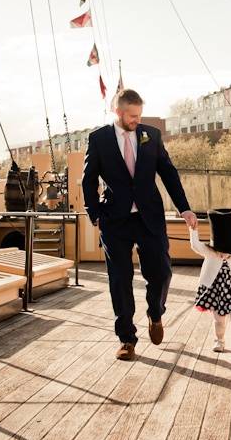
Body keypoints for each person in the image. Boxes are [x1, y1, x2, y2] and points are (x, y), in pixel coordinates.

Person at [82, 88, 197, 361]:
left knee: (161, 272)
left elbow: (168, 172)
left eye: (139, 115)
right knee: (120, 280)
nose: (137, 120)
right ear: (118, 112)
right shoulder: (98, 139)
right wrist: (93, 212)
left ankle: (155, 313)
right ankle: (126, 339)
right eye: (132, 115)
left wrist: (184, 208)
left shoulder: (151, 135)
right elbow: (89, 179)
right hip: (114, 221)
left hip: (150, 217)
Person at [189, 208, 231, 356]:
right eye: (219, 250)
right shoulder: (209, 251)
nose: (222, 254)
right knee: (219, 318)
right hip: (215, 290)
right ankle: (219, 340)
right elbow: (195, 245)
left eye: (226, 250)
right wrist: (193, 230)